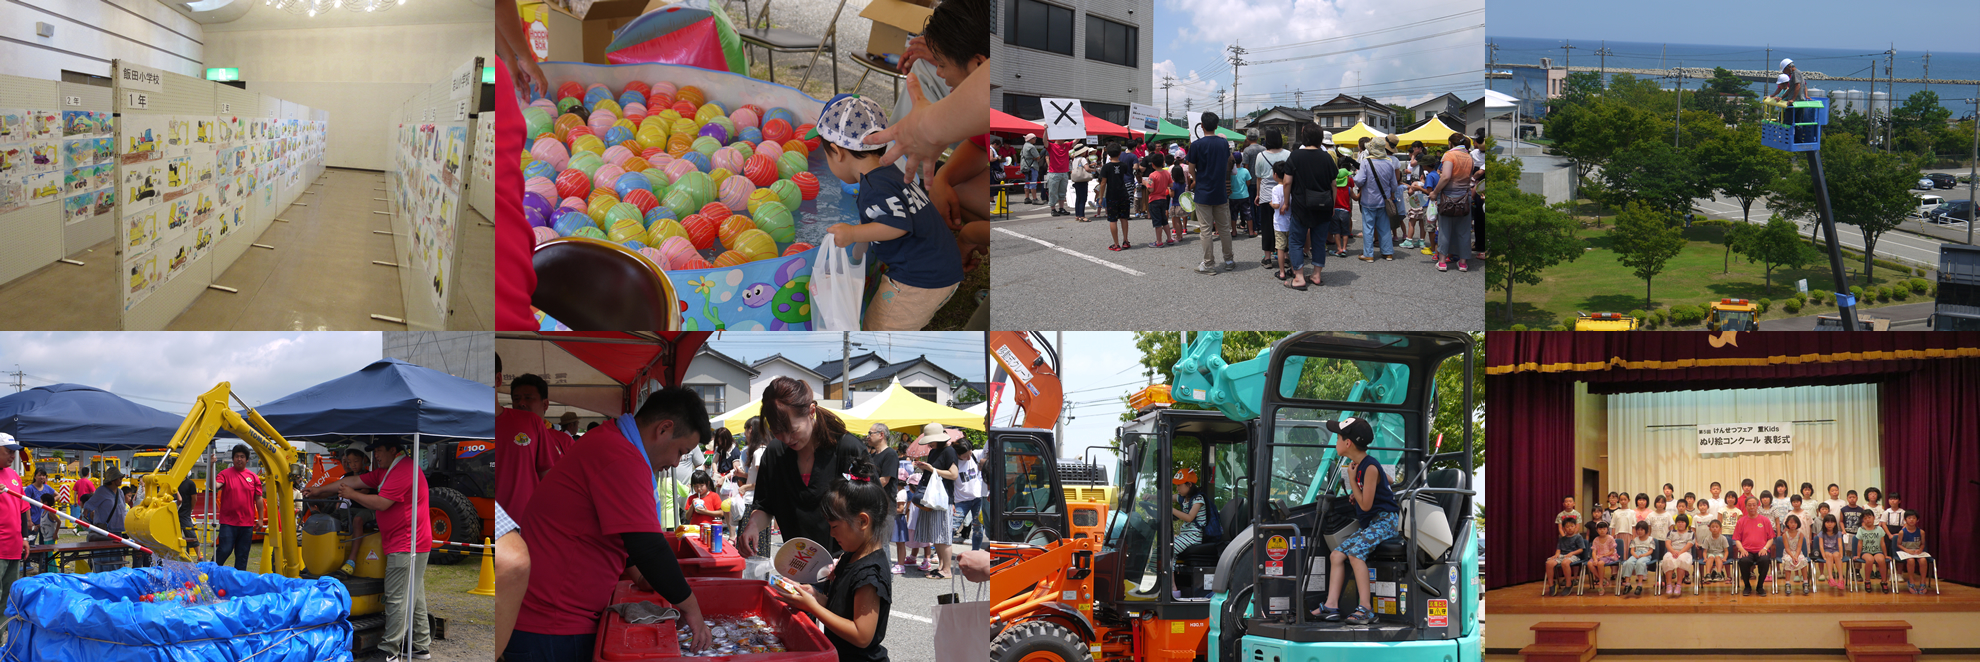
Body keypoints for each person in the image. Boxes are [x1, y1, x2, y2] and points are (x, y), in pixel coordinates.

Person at [506, 388, 716, 662]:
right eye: (681, 451)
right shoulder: (621, 456)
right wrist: (693, 612)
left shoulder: (610, 440)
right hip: (551, 625)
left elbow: (619, 531)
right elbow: (648, 547)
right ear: (664, 429)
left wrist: (641, 576)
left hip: (551, 616)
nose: (675, 462)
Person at [817, 94, 964, 332]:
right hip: (941, 268)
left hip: (918, 280)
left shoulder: (874, 189)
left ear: (837, 152)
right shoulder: (890, 172)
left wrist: (854, 233)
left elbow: (897, 224)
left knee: (878, 333)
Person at [769, 459, 894, 661]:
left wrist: (813, 607)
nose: (832, 534)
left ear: (862, 521)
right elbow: (842, 609)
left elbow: (861, 635)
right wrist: (815, 597)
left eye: (835, 527)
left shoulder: (870, 573)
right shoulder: (851, 556)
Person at [743, 377, 875, 560]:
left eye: (793, 430)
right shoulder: (774, 454)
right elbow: (765, 505)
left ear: (811, 411)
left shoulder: (847, 449)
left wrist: (848, 561)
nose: (787, 439)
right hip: (797, 565)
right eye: (777, 432)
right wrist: (753, 525)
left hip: (844, 565)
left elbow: (873, 513)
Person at [1310, 417, 1400, 626]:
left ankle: (1366, 608)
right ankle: (1331, 605)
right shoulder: (1361, 465)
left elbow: (1366, 506)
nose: (1336, 441)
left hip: (1385, 521)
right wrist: (1361, 491)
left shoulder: (1368, 467)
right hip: (1374, 523)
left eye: (1338, 437)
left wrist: (1354, 485)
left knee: (1355, 553)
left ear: (1348, 443)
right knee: (1336, 555)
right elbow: (1389, 482)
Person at [496, 368, 559, 516]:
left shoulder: (560, 438)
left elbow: (550, 479)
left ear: (545, 404)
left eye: (528, 398)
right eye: (516, 399)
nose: (521, 403)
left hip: (525, 523)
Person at [1282, 125, 1336, 290]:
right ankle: (1316, 275)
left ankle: (1299, 277)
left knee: (1296, 241)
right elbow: (1333, 184)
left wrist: (1285, 202)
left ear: (1304, 138)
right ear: (1321, 139)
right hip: (1324, 205)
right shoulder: (1327, 157)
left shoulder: (1296, 155)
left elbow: (1287, 182)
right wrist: (1332, 205)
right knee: (1319, 242)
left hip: (1301, 205)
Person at [1187, 112, 1235, 275]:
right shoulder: (1223, 144)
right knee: (1224, 228)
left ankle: (1209, 264)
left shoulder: (1196, 145)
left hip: (1203, 191)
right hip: (1220, 191)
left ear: (1201, 126)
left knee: (1206, 229)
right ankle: (1228, 260)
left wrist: (1196, 178)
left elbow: (1191, 167)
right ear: (1216, 126)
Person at [909, 424, 958, 579]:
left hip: (942, 498)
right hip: (934, 498)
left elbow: (953, 474)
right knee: (936, 534)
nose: (929, 444)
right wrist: (925, 468)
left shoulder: (949, 451)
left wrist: (931, 469)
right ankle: (941, 567)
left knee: (943, 535)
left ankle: (947, 570)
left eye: (931, 441)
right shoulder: (934, 452)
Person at [212, 446, 262, 571]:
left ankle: (239, 584)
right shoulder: (225, 474)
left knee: (242, 556)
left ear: (247, 460)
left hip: (247, 524)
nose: (239, 459)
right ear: (233, 459)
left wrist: (260, 519)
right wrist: (211, 466)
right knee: (224, 550)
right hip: (228, 522)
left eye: (242, 457)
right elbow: (215, 486)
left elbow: (259, 499)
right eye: (236, 457)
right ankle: (210, 573)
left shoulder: (253, 477)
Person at [1430, 134, 1474, 272]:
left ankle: (1442, 262)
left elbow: (1446, 176)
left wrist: (1435, 192)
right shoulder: (1469, 156)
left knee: (1444, 230)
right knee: (1464, 231)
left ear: (1450, 143)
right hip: (1464, 198)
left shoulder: (1449, 155)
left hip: (1448, 197)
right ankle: (1463, 262)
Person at [1351, 140, 1401, 262]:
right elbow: (1394, 185)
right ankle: (1387, 252)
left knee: (1368, 227)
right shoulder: (1389, 163)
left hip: (1369, 200)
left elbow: (1359, 180)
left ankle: (1368, 254)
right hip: (1384, 200)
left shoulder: (1366, 162)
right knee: (1384, 227)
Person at [1252, 130, 1291, 268]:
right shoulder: (1288, 154)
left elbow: (1259, 178)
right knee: (1284, 226)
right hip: (1285, 195)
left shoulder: (1261, 156)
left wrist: (1258, 194)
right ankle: (1285, 257)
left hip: (1267, 195)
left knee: (1267, 226)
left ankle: (1267, 258)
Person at [0, 435, 26, 607]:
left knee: (8, 598)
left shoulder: (14, 475)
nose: (13, 456)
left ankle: (3, 631)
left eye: (14, 452)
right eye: (8, 451)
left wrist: (24, 538)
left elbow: (22, 509)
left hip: (14, 546)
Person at [1732, 497, 1775, 596]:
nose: (1752, 507)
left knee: (1765, 560)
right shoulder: (1741, 521)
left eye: (1754, 505)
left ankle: (1760, 586)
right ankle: (1747, 586)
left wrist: (1765, 548)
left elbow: (1771, 538)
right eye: (1749, 505)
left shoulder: (1765, 520)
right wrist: (1742, 549)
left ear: (1757, 506)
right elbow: (1737, 539)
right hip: (1746, 550)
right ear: (1746, 507)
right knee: (1743, 561)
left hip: (1762, 550)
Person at [950, 439, 985, 552]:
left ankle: (975, 553)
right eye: (966, 456)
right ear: (958, 455)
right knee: (952, 527)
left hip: (978, 499)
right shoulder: (953, 463)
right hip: (961, 501)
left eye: (970, 453)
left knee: (978, 528)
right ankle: (940, 552)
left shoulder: (976, 455)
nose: (969, 458)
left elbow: (990, 447)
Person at [1541, 517, 1585, 596]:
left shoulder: (1578, 537)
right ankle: (1551, 584)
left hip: (1574, 555)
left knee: (1565, 563)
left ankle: (1568, 584)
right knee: (1549, 563)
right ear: (1564, 528)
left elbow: (1581, 549)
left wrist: (1572, 553)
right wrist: (1556, 554)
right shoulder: (1562, 538)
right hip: (1562, 555)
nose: (1570, 529)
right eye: (1567, 527)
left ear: (1575, 527)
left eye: (1572, 526)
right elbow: (1558, 549)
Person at [1171, 469, 1207, 553]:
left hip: (1194, 537)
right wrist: (1151, 496)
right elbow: (1166, 498)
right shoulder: (1182, 498)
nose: (1177, 488)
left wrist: (1171, 509)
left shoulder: (1198, 499)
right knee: (1161, 549)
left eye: (1179, 485)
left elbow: (1190, 518)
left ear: (1189, 484)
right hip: (1184, 535)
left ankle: (1167, 566)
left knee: (1166, 552)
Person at [1659, 514, 1695, 597]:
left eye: (1682, 522)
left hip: (1685, 552)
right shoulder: (1671, 532)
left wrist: (1680, 552)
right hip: (1672, 551)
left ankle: (1678, 585)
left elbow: (1689, 545)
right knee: (1667, 559)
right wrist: (1673, 551)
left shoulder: (1690, 533)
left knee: (1681, 560)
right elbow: (1667, 543)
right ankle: (1669, 585)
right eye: (1678, 522)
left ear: (1686, 523)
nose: (1680, 524)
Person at [1894, 512, 1929, 594]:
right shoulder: (1902, 532)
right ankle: (1911, 582)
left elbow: (1923, 544)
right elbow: (1898, 544)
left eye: (1913, 518)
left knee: (1923, 560)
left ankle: (1923, 583)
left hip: (1916, 551)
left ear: (1917, 520)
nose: (1911, 520)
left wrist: (1920, 549)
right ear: (1905, 520)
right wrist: (1907, 550)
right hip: (1906, 551)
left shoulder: (1921, 532)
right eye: (1909, 518)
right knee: (1911, 560)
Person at [1618, 521, 1656, 597]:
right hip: (1636, 554)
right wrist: (1635, 555)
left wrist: (1644, 555)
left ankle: (1640, 585)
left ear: (1646, 530)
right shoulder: (1635, 539)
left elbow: (1651, 551)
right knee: (1628, 562)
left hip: (1646, 555)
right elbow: (1632, 550)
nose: (1639, 531)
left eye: (1642, 530)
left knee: (1640, 563)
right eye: (1638, 530)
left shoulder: (1651, 539)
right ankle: (1628, 584)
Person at [1854, 511, 1889, 592]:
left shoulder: (1879, 529)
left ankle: (1884, 581)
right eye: (1865, 518)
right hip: (1865, 551)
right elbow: (1860, 543)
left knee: (1881, 560)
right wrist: (1858, 555)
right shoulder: (1861, 529)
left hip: (1877, 551)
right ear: (1863, 520)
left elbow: (1882, 543)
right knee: (1869, 560)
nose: (1868, 520)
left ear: (1874, 518)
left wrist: (1885, 555)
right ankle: (1867, 581)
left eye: (1869, 517)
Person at [1779, 514, 1812, 594]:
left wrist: (1796, 556)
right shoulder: (1785, 535)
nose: (1793, 524)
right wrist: (1792, 556)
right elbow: (1787, 548)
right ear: (1787, 523)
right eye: (1791, 522)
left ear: (1798, 524)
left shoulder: (1800, 534)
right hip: (1788, 553)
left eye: (1795, 523)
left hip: (1797, 552)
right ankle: (1787, 583)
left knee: (1803, 560)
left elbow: (1799, 547)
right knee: (1787, 560)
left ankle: (1805, 582)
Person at [24, 471, 54, 548]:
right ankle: (28, 560)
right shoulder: (30, 488)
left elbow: (58, 495)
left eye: (44, 475)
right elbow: (26, 504)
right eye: (39, 475)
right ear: (35, 477)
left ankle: (43, 560)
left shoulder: (47, 487)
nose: (42, 477)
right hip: (33, 521)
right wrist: (29, 520)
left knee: (44, 544)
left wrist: (49, 502)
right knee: (30, 543)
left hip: (44, 522)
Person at [1816, 512, 1845, 592]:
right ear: (1824, 523)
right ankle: (1830, 577)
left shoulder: (1838, 533)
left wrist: (1841, 554)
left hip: (1835, 550)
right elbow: (1821, 546)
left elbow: (1840, 545)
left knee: (1836, 555)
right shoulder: (1822, 533)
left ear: (1835, 523)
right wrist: (1823, 555)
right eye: (1827, 522)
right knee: (1829, 555)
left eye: (1832, 522)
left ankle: (1841, 579)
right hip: (1826, 551)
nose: (1830, 524)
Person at [1587, 521, 1618, 593]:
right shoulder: (1596, 539)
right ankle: (1603, 579)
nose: (1602, 531)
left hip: (1609, 556)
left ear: (1607, 529)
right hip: (1598, 556)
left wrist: (1603, 555)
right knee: (1589, 564)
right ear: (1597, 530)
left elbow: (1612, 551)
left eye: (1604, 529)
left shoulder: (1610, 538)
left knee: (1600, 563)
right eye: (1600, 529)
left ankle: (1600, 584)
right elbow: (1594, 552)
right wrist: (1594, 559)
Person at [1697, 519, 1730, 584]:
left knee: (1717, 557)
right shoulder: (1707, 539)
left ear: (1720, 529)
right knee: (1711, 558)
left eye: (1716, 527)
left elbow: (1726, 551)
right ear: (1709, 529)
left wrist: (1725, 558)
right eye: (1712, 527)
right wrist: (1705, 558)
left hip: (1720, 554)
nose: (1714, 528)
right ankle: (1708, 575)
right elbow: (1705, 551)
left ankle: (1719, 574)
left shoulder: (1723, 538)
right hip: (1710, 554)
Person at [1229, 152, 1254, 237]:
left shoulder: (1230, 172)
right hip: (1244, 195)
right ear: (1242, 160)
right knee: (1248, 213)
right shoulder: (1245, 171)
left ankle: (1234, 231)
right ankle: (1251, 231)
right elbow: (1248, 182)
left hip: (1233, 196)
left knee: (1233, 214)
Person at [1045, 138, 1072, 216]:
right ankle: (1053, 209)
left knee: (1062, 192)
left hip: (1064, 172)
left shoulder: (1066, 145)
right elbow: (1044, 141)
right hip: (1054, 173)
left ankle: (1061, 208)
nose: (1063, 139)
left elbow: (1075, 141)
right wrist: (1045, 130)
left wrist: (1081, 132)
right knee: (1053, 191)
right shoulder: (1051, 145)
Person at [1069, 145, 1095, 223]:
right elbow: (1086, 168)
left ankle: (1077, 215)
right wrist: (1092, 169)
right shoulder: (1083, 159)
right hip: (1082, 180)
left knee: (1078, 198)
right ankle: (1082, 216)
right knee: (1083, 198)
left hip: (1076, 180)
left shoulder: (1074, 159)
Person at [1019, 135, 1042, 205]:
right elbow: (1038, 157)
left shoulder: (1024, 146)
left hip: (1025, 167)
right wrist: (1034, 158)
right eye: (1034, 138)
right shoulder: (1031, 147)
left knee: (1027, 182)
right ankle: (1035, 199)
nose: (1035, 140)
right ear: (1030, 139)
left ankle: (1027, 198)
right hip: (1032, 166)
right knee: (1033, 183)